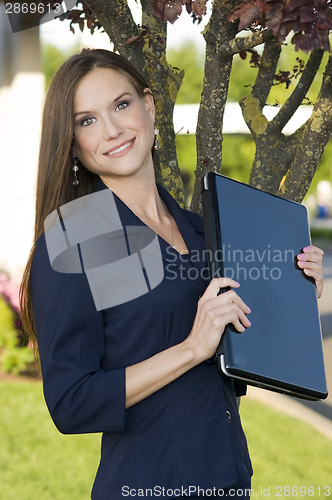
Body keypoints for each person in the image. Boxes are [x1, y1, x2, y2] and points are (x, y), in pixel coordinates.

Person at [20, 48, 324, 500]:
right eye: (87, 120)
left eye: (121, 105)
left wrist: (293, 295)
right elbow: (72, 403)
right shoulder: (76, 241)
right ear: (72, 145)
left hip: (229, 476)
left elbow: (236, 357)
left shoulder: (200, 230)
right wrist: (189, 350)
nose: (113, 130)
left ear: (150, 105)